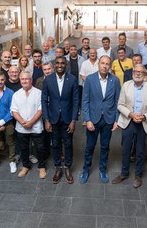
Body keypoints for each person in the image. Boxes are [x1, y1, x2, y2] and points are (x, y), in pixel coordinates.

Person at [112, 64, 147, 188]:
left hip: (143, 123)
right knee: (125, 149)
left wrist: (144, 117)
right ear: (133, 73)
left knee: (140, 151)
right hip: (128, 122)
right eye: (136, 71)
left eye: (141, 72)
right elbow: (120, 104)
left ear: (145, 74)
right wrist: (131, 114)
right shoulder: (126, 85)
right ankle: (124, 173)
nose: (138, 73)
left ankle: (138, 175)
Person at [79, 56, 121, 184]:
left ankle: (103, 170)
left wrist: (116, 120)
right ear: (98, 64)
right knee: (89, 146)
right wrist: (87, 119)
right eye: (102, 63)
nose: (104, 66)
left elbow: (118, 101)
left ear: (110, 66)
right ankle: (86, 170)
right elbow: (85, 101)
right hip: (93, 119)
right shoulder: (90, 79)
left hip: (108, 120)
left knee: (105, 146)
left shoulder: (115, 80)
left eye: (107, 64)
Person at [41, 56, 79, 184]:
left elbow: (75, 101)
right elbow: (44, 100)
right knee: (56, 144)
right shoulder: (48, 80)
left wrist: (74, 120)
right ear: (54, 65)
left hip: (68, 119)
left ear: (66, 65)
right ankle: (58, 167)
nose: (60, 65)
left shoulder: (72, 79)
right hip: (53, 118)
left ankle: (67, 167)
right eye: (57, 63)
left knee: (68, 144)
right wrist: (46, 119)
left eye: (62, 63)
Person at [11, 71, 47, 179]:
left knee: (40, 147)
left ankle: (41, 167)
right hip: (21, 127)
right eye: (22, 79)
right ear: (20, 80)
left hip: (36, 126)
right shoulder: (16, 94)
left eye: (27, 79)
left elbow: (41, 109)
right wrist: (22, 122)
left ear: (31, 80)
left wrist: (31, 122)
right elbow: (13, 111)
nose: (24, 81)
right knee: (24, 148)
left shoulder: (38, 93)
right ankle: (25, 166)